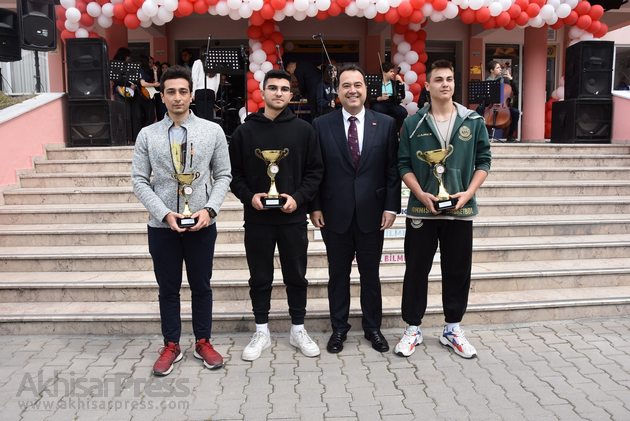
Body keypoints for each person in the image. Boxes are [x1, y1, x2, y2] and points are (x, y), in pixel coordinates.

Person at [131, 65, 232, 376]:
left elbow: (223, 175)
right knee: (168, 288)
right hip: (162, 227)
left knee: (202, 285)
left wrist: (209, 210)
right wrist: (164, 213)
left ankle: (203, 341)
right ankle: (171, 344)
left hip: (201, 224)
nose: (177, 97)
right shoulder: (147, 135)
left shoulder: (212, 131)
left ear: (191, 96)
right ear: (162, 96)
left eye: (183, 91)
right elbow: (139, 180)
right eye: (171, 92)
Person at [394, 60, 491, 359]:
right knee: (416, 270)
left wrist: (469, 193)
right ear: (427, 85)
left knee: (458, 271)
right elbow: (403, 164)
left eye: (449, 79)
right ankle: (413, 328)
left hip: (460, 210)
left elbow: (484, 161)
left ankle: (452, 328)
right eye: (438, 79)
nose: (445, 84)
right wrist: (419, 194)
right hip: (421, 210)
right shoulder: (413, 123)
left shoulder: (473, 121)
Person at [229, 70, 324, 361]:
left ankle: (298, 328)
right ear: (263, 92)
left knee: (296, 276)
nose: (279, 93)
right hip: (257, 219)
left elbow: (315, 171)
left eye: (284, 89)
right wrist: (250, 197)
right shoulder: (245, 132)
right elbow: (234, 175)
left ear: (291, 94)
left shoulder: (305, 130)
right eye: (273, 88)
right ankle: (262, 330)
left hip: (293, 218)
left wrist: (298, 198)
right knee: (260, 277)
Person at [310, 64, 401, 354]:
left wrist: (391, 207)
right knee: (337, 275)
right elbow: (315, 170)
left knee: (370, 275)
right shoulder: (321, 125)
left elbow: (392, 170)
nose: (352, 90)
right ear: (338, 91)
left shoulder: (385, 124)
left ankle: (373, 328)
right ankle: (339, 328)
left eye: (357, 85)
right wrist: (315, 207)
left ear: (366, 89)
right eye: (346, 85)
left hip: (372, 214)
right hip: (334, 214)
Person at [481, 60, 520, 142]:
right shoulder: (487, 82)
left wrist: (511, 79)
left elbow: (516, 92)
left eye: (500, 68)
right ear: (492, 70)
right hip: (490, 106)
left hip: (503, 105)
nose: (500, 69)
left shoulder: (505, 80)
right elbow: (483, 97)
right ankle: (482, 136)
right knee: (479, 110)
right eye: (498, 68)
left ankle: (510, 136)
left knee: (515, 112)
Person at [370, 62, 408, 132]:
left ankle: (395, 130)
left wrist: (401, 82)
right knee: (376, 108)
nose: (393, 73)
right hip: (380, 103)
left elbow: (402, 96)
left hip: (392, 102)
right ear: (384, 72)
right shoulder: (376, 82)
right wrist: (379, 98)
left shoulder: (394, 83)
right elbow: (369, 98)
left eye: (393, 71)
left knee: (403, 112)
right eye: (391, 71)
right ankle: (379, 130)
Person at [132, 55, 160, 142]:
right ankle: (143, 136)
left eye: (152, 62)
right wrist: (154, 84)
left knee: (151, 116)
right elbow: (143, 83)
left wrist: (155, 72)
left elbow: (156, 81)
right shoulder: (140, 70)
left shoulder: (150, 71)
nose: (151, 64)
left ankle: (146, 136)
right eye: (150, 62)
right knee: (145, 116)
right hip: (142, 96)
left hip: (149, 95)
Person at [191, 48, 221, 121]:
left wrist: (193, 93)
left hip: (200, 91)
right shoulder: (215, 63)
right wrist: (215, 93)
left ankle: (201, 128)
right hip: (211, 91)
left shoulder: (198, 62)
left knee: (200, 115)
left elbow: (194, 79)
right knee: (209, 115)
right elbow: (217, 81)